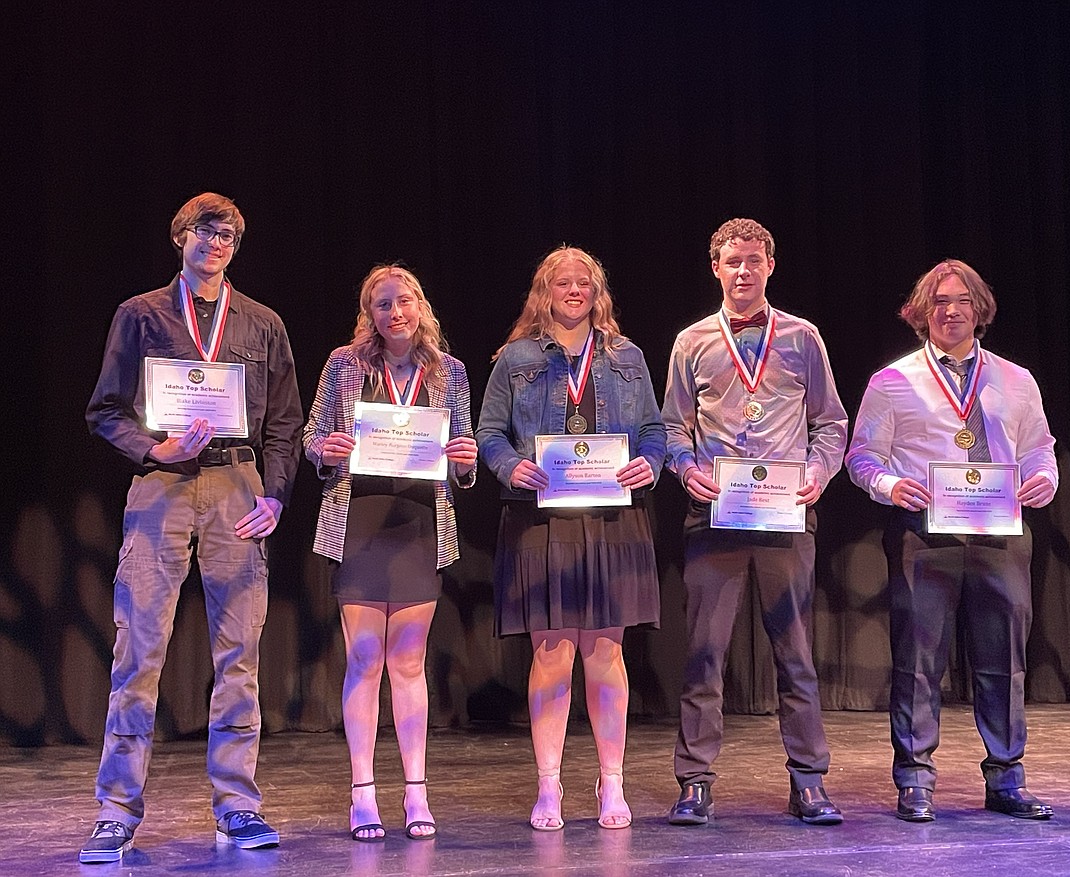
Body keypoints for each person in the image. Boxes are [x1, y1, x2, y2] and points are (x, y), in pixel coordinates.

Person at [81, 193, 302, 863]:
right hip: (162, 485)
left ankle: (237, 803)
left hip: (238, 483)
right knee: (139, 649)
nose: (215, 244)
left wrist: (280, 496)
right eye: (204, 233)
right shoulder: (141, 314)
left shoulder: (262, 323)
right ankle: (116, 810)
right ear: (180, 238)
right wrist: (156, 448)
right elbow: (105, 410)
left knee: (240, 650)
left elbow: (286, 422)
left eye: (227, 235)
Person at [845, 258, 1058, 822]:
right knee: (918, 661)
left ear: (979, 308)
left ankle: (1007, 778)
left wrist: (1046, 477)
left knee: (1003, 661)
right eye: (939, 301)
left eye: (962, 299)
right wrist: (891, 486)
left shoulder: (1016, 379)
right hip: (924, 537)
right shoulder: (892, 381)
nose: (952, 310)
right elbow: (862, 456)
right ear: (922, 313)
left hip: (1001, 537)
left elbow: (1039, 446)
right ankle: (915, 780)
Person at [662, 218, 847, 827]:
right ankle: (694, 783)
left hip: (785, 517)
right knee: (703, 655)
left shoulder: (802, 338)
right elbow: (672, 428)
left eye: (753, 260)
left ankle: (809, 783)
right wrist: (687, 468)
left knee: (794, 656)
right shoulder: (691, 341)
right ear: (715, 267)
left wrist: (818, 474)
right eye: (732, 261)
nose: (743, 271)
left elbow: (831, 423)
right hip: (713, 516)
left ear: (771, 265)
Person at [476, 246, 664, 831]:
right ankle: (549, 787)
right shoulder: (516, 358)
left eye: (585, 282)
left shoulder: (627, 357)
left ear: (597, 292)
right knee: (552, 654)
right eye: (563, 282)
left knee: (606, 653)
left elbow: (655, 430)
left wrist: (650, 465)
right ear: (545, 292)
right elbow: (488, 433)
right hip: (541, 519)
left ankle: (612, 784)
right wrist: (511, 468)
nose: (575, 290)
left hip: (612, 518)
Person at [303, 265, 477, 842]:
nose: (394, 312)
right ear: (368, 314)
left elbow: (462, 455)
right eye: (381, 304)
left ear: (420, 305)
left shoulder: (449, 372)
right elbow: (312, 437)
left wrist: (466, 460)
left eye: (403, 301)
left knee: (408, 663)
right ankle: (361, 794)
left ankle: (416, 792)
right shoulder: (343, 365)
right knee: (365, 662)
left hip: (420, 524)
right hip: (360, 523)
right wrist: (326, 449)